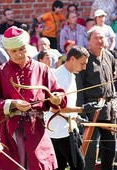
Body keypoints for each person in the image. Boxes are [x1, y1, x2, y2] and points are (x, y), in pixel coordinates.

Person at [0, 26, 67, 170]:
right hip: (10, 130)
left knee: (40, 165)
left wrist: (57, 99)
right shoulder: (0, 72)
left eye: (22, 49)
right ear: (7, 51)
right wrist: (12, 104)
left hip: (36, 129)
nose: (18, 54)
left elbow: (58, 94)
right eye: (14, 51)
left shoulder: (42, 69)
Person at [45, 46, 102, 170]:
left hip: (65, 128)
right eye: (82, 63)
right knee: (78, 165)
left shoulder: (70, 74)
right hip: (61, 130)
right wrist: (82, 109)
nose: (84, 67)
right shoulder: (60, 76)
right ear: (72, 59)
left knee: (59, 166)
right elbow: (56, 108)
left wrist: (77, 116)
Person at [81, 26, 116, 170]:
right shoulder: (85, 58)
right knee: (90, 146)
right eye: (96, 38)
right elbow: (80, 85)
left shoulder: (109, 56)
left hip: (109, 108)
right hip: (92, 109)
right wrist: (81, 109)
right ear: (89, 41)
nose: (99, 40)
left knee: (110, 145)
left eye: (102, 37)